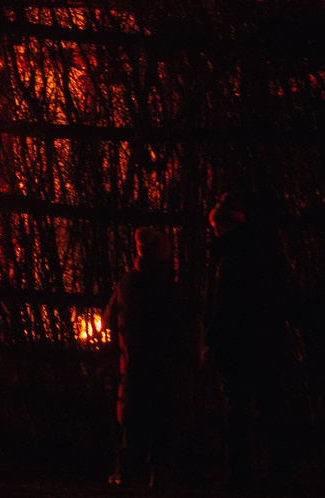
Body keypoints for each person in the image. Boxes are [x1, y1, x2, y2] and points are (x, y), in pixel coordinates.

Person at [205, 191, 299, 487]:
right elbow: (284, 294)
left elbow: (221, 304)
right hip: (266, 338)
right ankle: (279, 469)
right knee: (271, 403)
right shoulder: (266, 250)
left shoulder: (228, 256)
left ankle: (242, 470)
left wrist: (212, 339)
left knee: (239, 406)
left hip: (238, 341)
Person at [107, 228, 187, 488]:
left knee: (133, 417)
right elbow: (177, 329)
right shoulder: (168, 288)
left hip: (132, 364)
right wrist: (189, 357)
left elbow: (108, 319)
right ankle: (157, 472)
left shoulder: (126, 283)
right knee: (162, 416)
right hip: (163, 366)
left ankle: (129, 471)